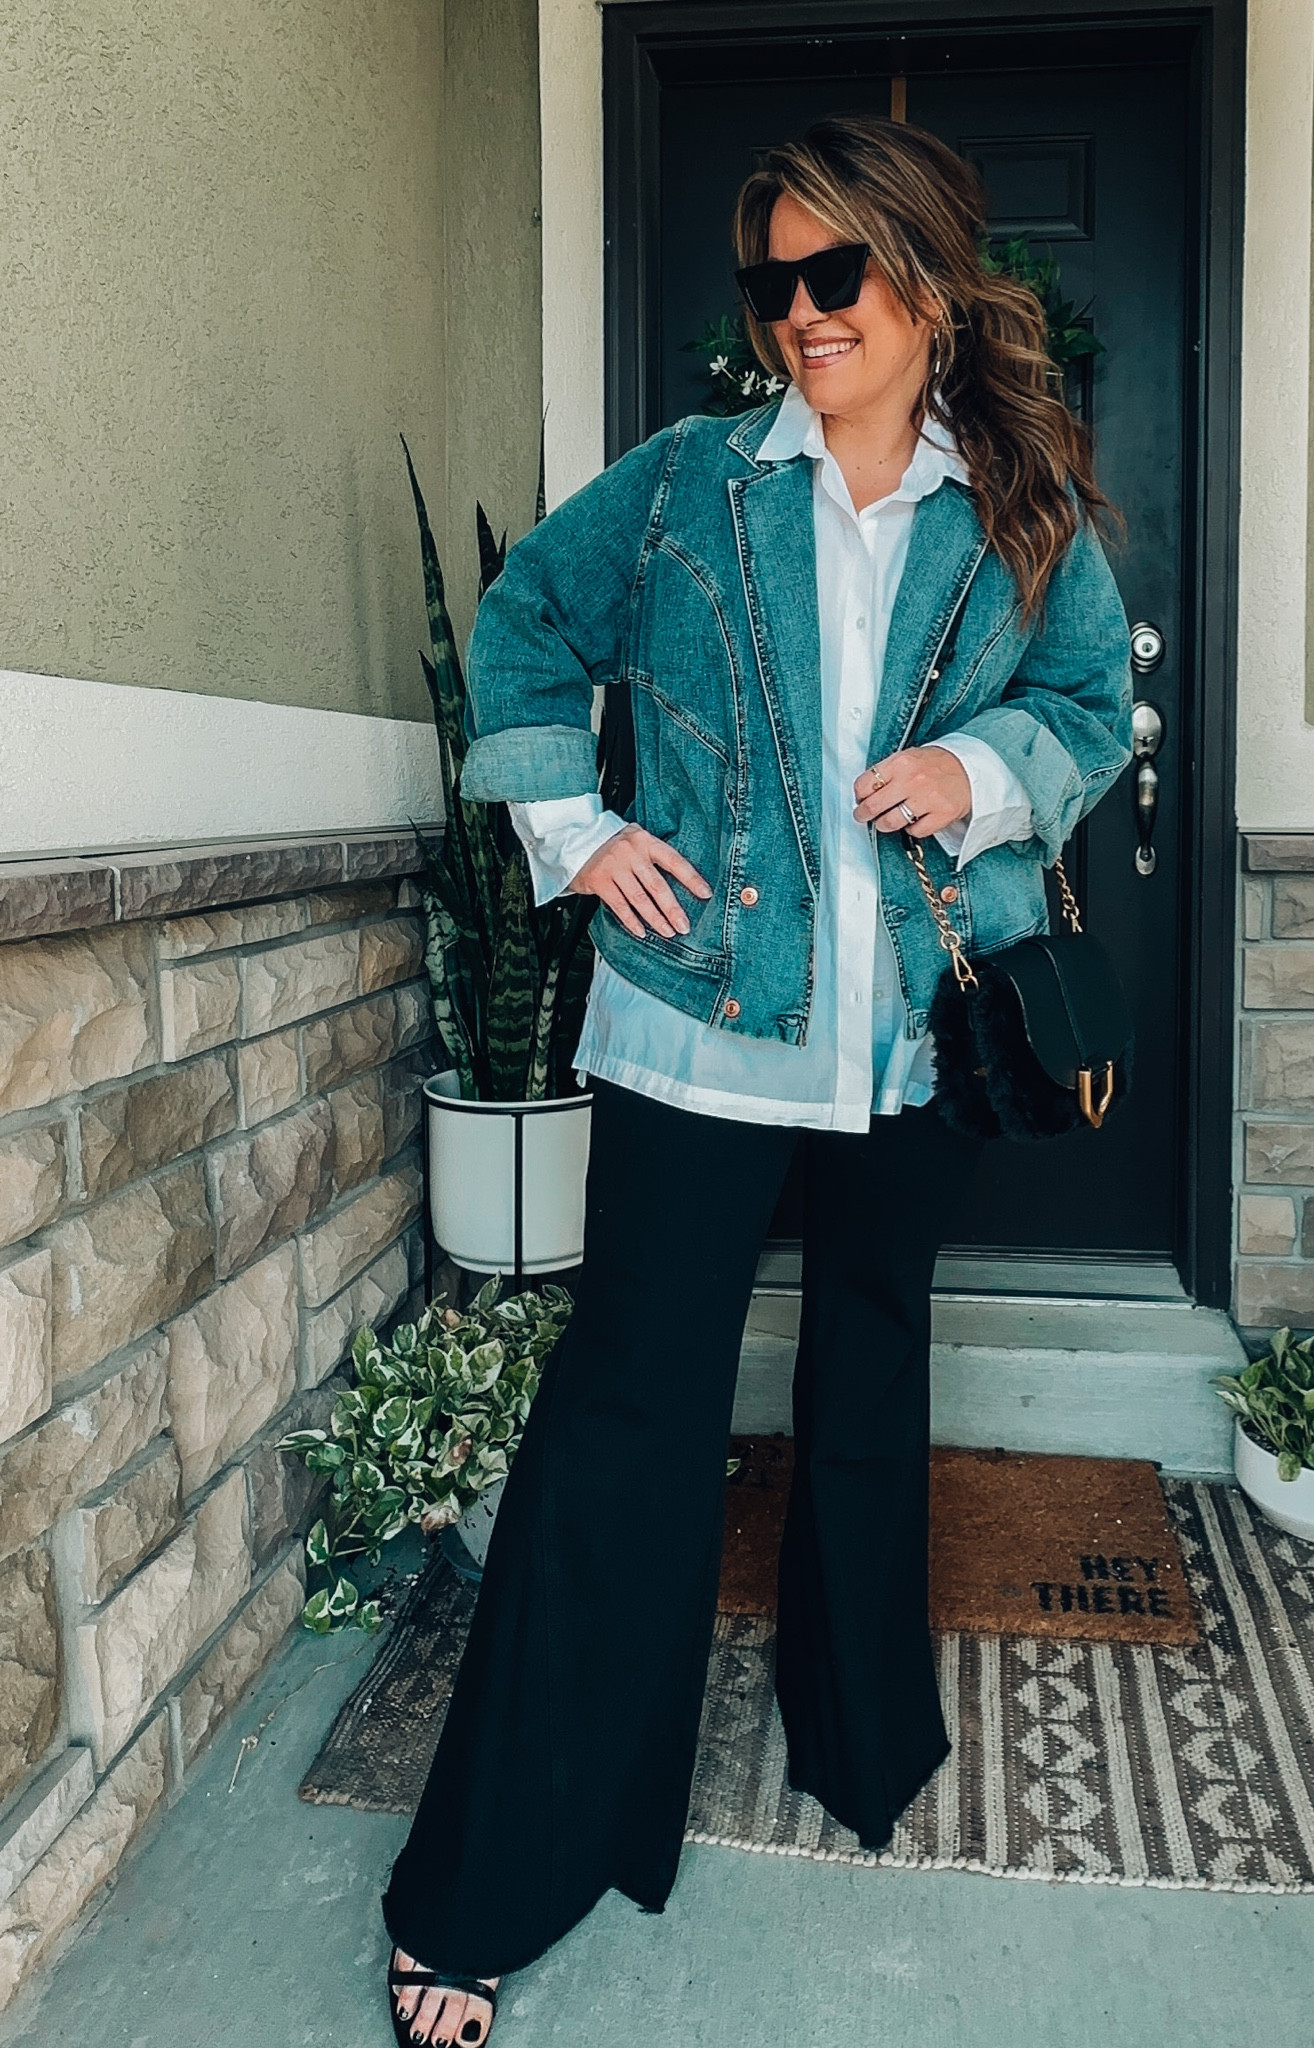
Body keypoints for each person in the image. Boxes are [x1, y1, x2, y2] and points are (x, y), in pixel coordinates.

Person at [383, 113, 1133, 2048]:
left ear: (927, 282)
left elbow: (1079, 709)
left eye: (835, 278)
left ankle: (855, 1730)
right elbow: (526, 624)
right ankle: (501, 1870)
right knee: (627, 1423)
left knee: (875, 1366)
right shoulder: (687, 487)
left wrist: (980, 779)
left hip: (908, 1039)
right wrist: (568, 824)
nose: (799, 316)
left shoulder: (1018, 504)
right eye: (770, 284)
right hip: (699, 1027)